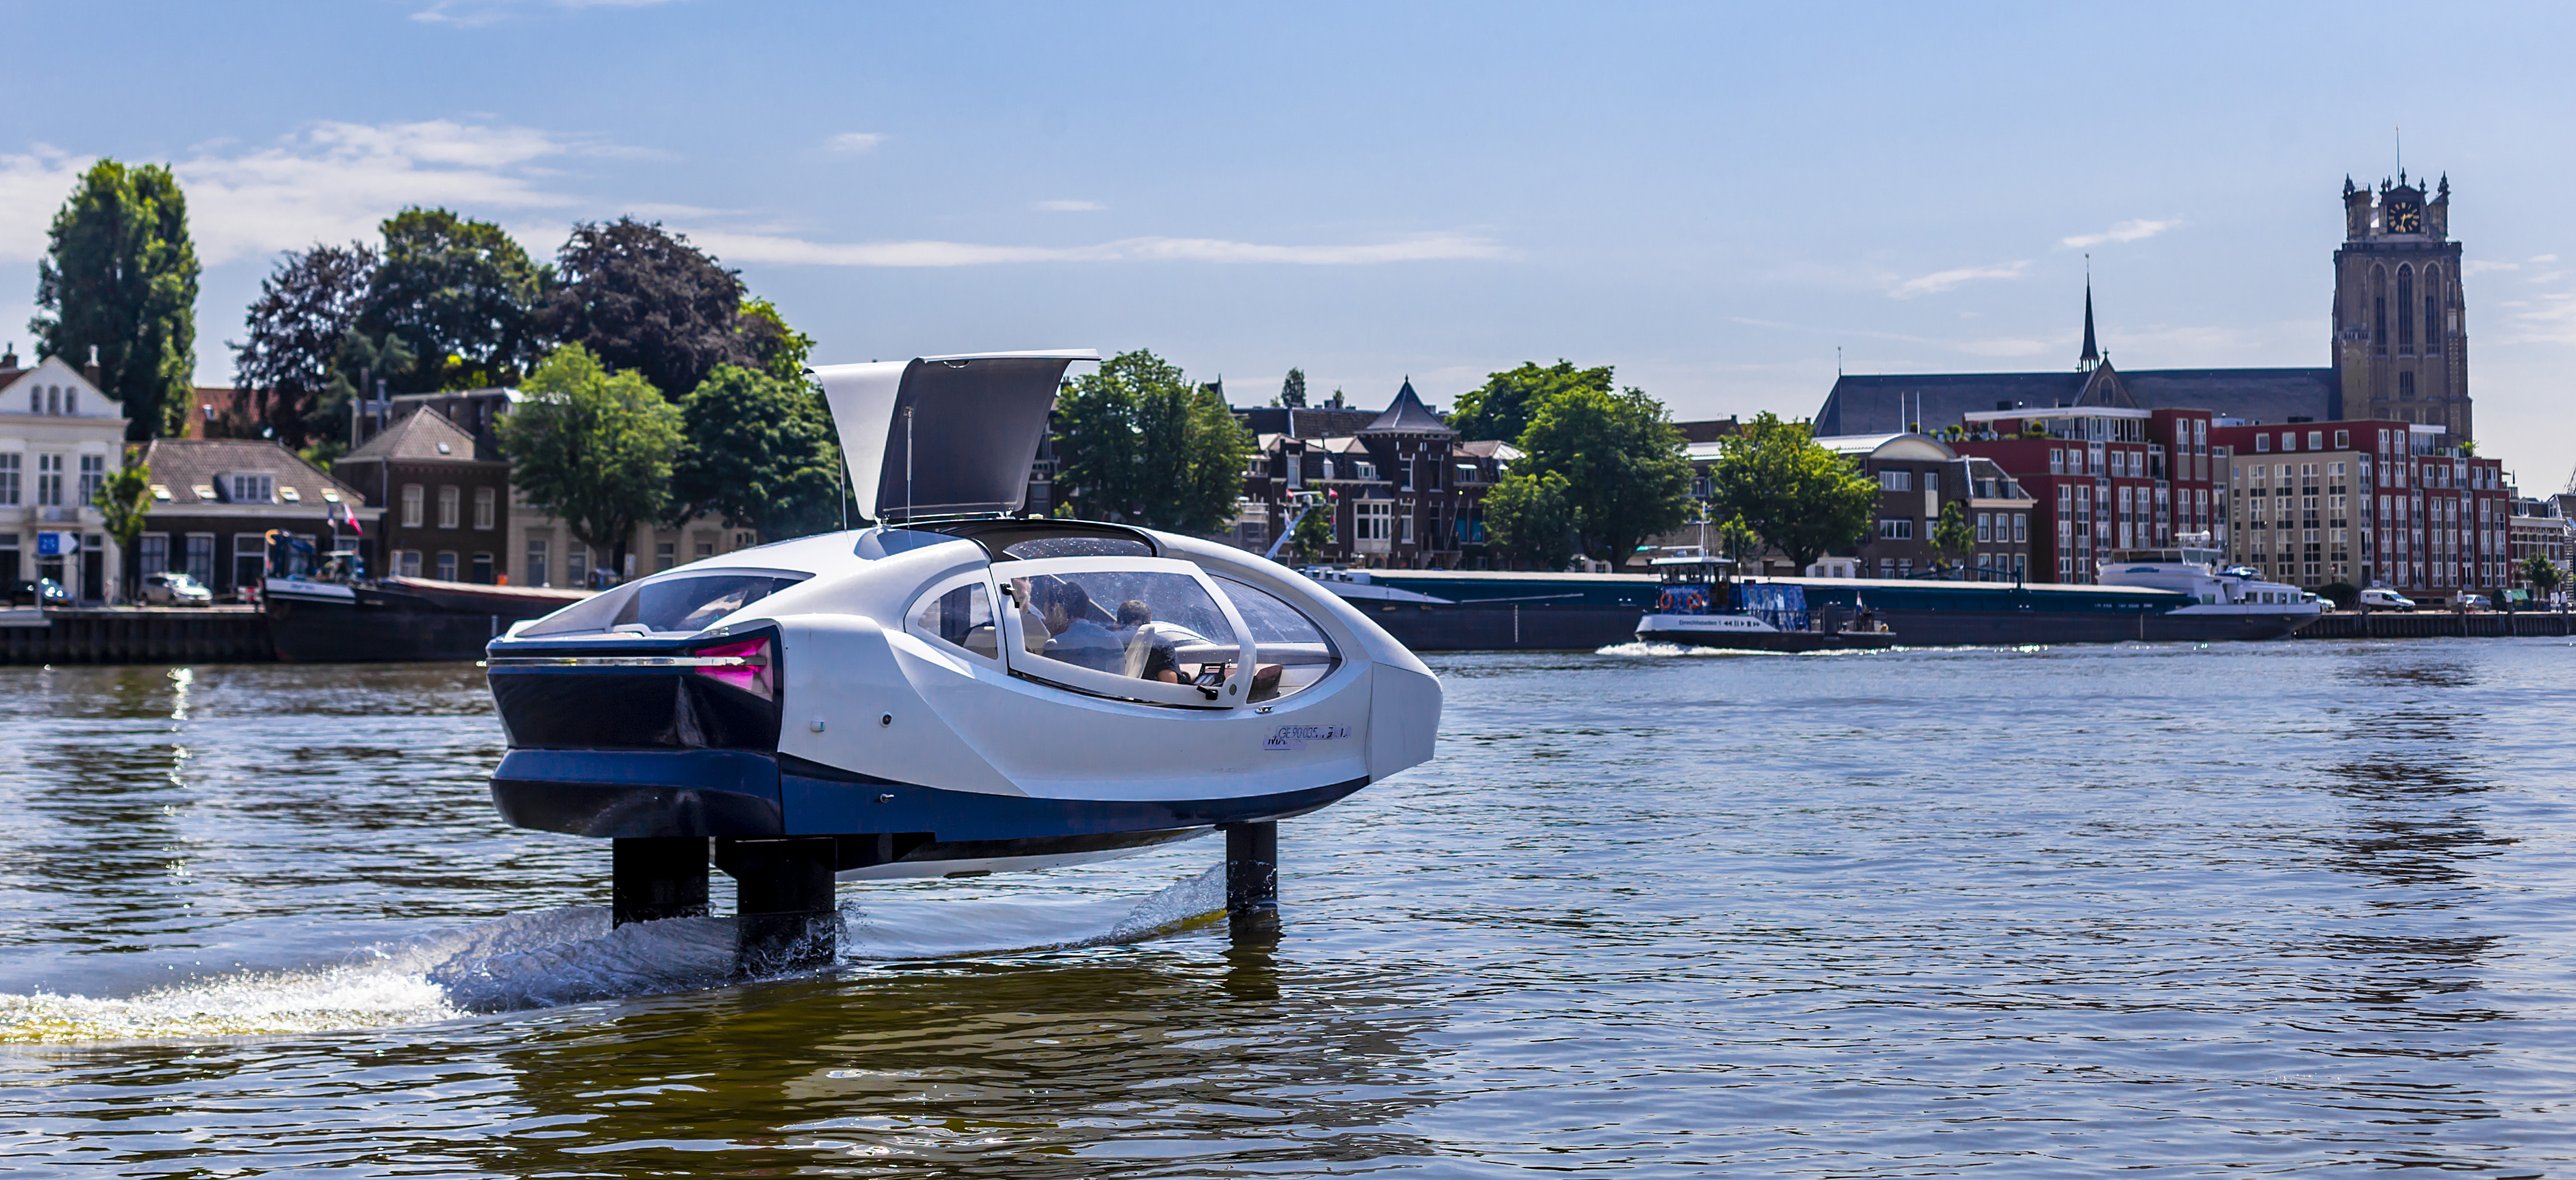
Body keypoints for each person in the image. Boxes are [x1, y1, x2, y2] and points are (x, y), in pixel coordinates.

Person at [1038, 580, 1123, 672]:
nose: (1046, 622)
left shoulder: (1055, 646)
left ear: (1058, 610)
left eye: (1046, 614)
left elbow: (1046, 684)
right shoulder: (1113, 640)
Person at [1115, 598, 1183, 683]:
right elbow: (1169, 686)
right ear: (1148, 624)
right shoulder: (1164, 645)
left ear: (1117, 623)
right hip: (1145, 696)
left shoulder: (1108, 640)